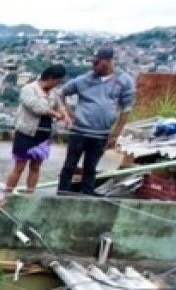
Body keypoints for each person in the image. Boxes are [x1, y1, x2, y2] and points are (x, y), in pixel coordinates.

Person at [57, 45, 135, 196]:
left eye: (96, 63)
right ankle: (62, 192)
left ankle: (88, 192)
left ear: (107, 62)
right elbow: (61, 93)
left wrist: (115, 134)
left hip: (101, 132)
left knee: (91, 166)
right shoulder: (84, 79)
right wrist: (68, 112)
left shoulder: (124, 80)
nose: (93, 66)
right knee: (70, 164)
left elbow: (126, 108)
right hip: (80, 130)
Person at [3, 64, 67, 195]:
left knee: (35, 167)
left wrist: (64, 115)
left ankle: (29, 194)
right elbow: (36, 107)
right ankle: (7, 194)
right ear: (50, 78)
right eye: (57, 81)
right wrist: (54, 113)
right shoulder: (29, 89)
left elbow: (60, 105)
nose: (57, 84)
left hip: (43, 134)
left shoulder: (53, 93)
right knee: (19, 166)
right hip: (26, 132)